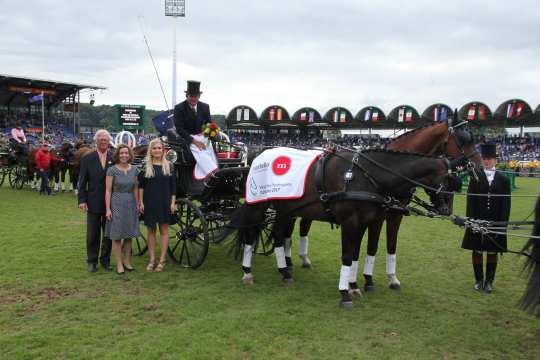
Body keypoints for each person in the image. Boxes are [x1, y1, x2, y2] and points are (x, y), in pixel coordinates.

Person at [462, 143, 511, 293]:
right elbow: (470, 201)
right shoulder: (475, 178)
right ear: (482, 160)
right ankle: (478, 280)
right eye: (485, 158)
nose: (487, 161)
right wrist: (471, 221)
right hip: (477, 220)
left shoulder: (504, 179)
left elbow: (506, 204)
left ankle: (489, 282)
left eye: (490, 158)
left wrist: (502, 225)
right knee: (477, 251)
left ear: (496, 160)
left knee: (492, 252)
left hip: (496, 221)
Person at [77, 129, 114, 272]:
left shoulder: (113, 156)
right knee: (92, 233)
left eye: (106, 140)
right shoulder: (87, 157)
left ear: (109, 141)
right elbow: (82, 180)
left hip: (110, 202)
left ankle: (105, 260)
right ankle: (92, 261)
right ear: (96, 141)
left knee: (108, 233)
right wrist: (82, 200)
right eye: (101, 140)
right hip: (92, 201)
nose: (103, 142)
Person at [138, 139, 176, 272]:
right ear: (151, 150)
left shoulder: (169, 166)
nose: (157, 150)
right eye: (154, 148)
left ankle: (162, 260)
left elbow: (173, 187)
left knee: (164, 231)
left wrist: (172, 202)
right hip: (149, 202)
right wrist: (141, 202)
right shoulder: (146, 165)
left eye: (159, 148)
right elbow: (141, 186)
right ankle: (152, 259)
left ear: (163, 150)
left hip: (164, 201)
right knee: (151, 231)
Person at [105, 144, 140, 275]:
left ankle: (127, 261)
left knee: (129, 234)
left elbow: (136, 188)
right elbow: (108, 191)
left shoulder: (135, 170)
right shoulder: (112, 170)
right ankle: (119, 263)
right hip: (116, 202)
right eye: (121, 153)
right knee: (117, 235)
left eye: (126, 153)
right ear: (117, 155)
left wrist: (138, 204)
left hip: (131, 202)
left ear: (130, 154)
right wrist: (108, 209)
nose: (124, 155)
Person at [173, 80, 211, 153]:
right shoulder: (179, 108)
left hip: (203, 139)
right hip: (187, 141)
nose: (193, 99)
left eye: (196, 96)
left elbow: (208, 123)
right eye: (191, 96)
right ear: (187, 96)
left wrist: (204, 132)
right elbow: (179, 128)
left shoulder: (205, 107)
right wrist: (194, 141)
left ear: (199, 96)